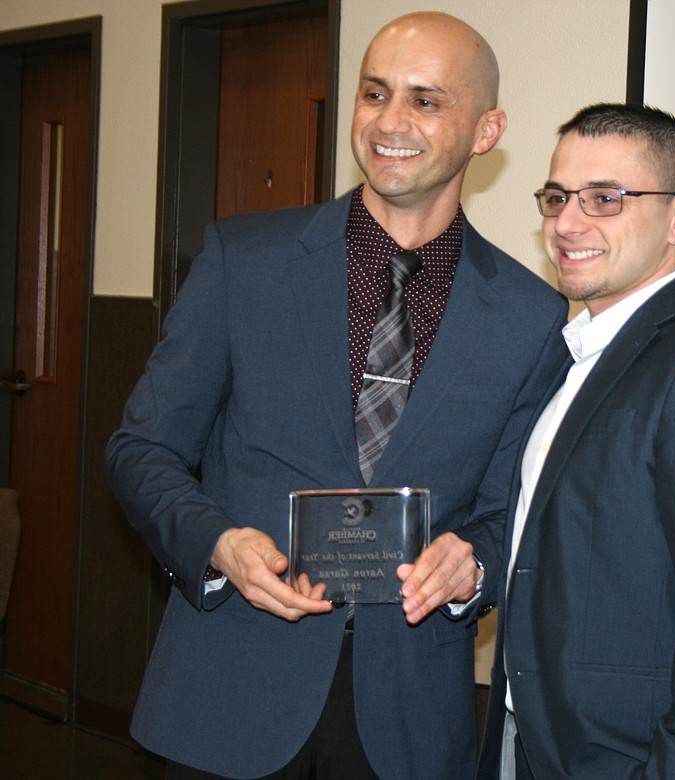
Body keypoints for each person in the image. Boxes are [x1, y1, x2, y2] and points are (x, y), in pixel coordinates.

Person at [105, 12, 567, 780]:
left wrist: (473, 570)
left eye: (426, 101)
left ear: (487, 130)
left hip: (408, 715)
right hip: (232, 691)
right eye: (374, 92)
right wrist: (217, 542)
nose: (389, 122)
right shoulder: (242, 261)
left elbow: (502, 516)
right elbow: (141, 450)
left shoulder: (529, 316)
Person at [476, 103, 675, 780]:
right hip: (536, 746)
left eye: (605, 198)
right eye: (558, 197)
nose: (567, 221)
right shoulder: (576, 357)